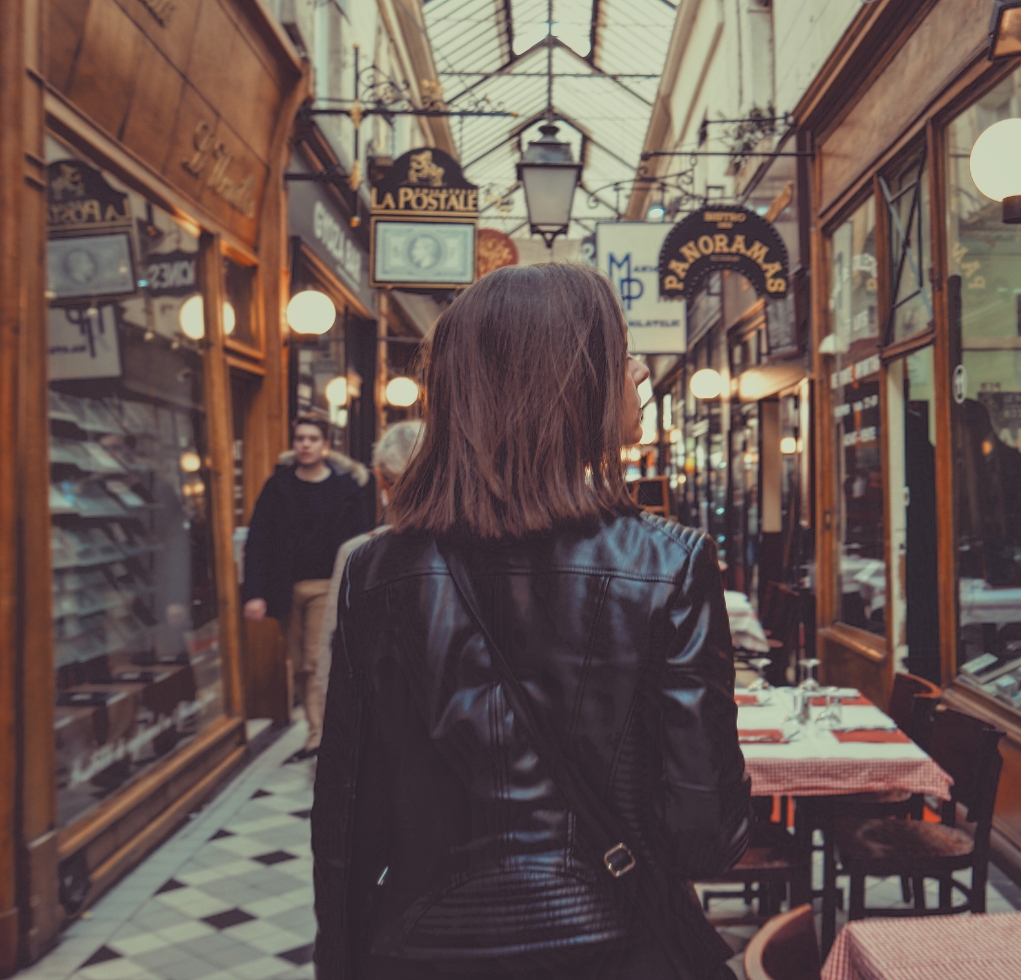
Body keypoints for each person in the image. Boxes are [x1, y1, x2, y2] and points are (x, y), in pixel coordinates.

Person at [312, 264, 750, 980]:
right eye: (619, 353)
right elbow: (705, 839)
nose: (639, 371)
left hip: (420, 949)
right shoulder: (669, 563)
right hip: (614, 948)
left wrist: (339, 962)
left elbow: (346, 822)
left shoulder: (375, 571)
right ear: (568, 385)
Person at [296, 419, 425, 761]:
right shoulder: (474, 548)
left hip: (377, 737)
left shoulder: (358, 554)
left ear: (381, 476)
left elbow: (332, 653)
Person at [241, 415, 370, 750]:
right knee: (299, 663)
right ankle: (316, 726)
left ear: (325, 445)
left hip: (326, 586)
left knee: (315, 658)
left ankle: (319, 735)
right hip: (286, 588)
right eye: (300, 438)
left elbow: (360, 541)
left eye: (313, 438)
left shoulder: (345, 488)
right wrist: (253, 593)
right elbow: (259, 540)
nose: (306, 444)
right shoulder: (278, 486)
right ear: (294, 444)